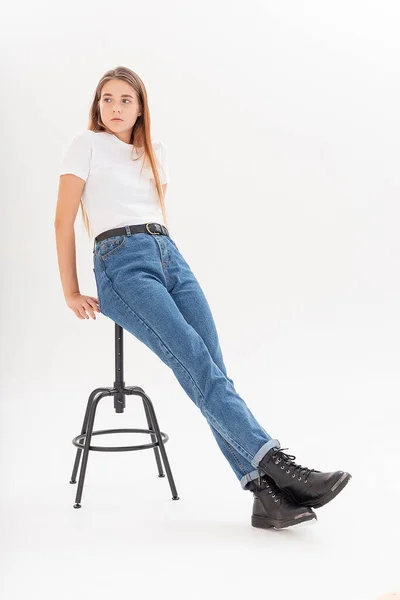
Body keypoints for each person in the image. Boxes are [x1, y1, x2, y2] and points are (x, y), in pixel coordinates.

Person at [54, 65, 352, 531]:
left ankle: (264, 497)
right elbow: (63, 219)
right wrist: (70, 289)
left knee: (211, 369)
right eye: (107, 99)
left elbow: (157, 213)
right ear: (96, 105)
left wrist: (165, 255)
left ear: (140, 106)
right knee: (194, 360)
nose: (115, 108)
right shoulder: (85, 145)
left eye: (125, 100)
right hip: (119, 262)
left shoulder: (156, 153)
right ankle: (277, 463)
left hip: (169, 255)